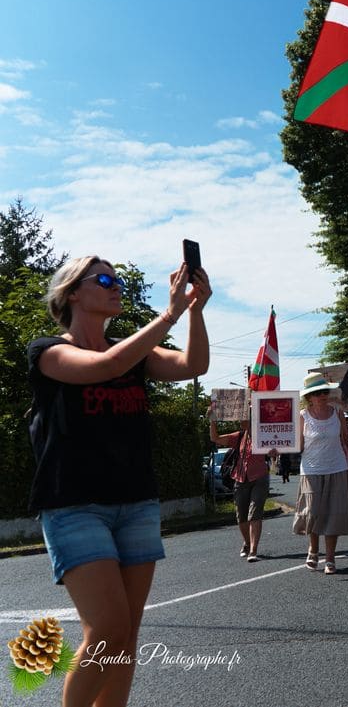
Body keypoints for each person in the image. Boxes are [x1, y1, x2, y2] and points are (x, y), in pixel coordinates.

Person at [27, 256, 210, 706]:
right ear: (72, 292)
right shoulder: (48, 350)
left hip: (136, 501)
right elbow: (104, 365)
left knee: (125, 635)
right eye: (105, 280)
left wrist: (196, 310)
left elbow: (193, 366)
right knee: (107, 628)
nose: (116, 287)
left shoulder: (135, 355)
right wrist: (170, 313)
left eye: (119, 280)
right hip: (75, 505)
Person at [292, 372, 348, 575]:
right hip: (311, 470)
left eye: (325, 391)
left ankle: (330, 558)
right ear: (309, 397)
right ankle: (313, 549)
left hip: (337, 468)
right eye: (318, 393)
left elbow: (346, 439)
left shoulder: (337, 412)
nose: (322, 395)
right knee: (313, 512)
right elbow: (297, 445)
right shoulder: (302, 416)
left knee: (334, 514)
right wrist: (277, 449)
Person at [208, 409, 274, 562]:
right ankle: (247, 542)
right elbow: (215, 438)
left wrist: (274, 452)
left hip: (260, 478)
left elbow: (276, 451)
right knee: (241, 516)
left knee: (255, 514)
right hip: (240, 479)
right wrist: (212, 419)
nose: (239, 421)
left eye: (243, 418)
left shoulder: (264, 435)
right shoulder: (239, 436)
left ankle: (253, 550)